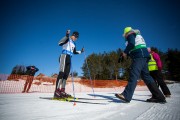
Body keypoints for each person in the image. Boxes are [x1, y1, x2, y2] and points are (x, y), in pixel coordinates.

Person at [115, 27, 166, 103]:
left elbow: (131, 44)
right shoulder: (137, 35)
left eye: (124, 35)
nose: (124, 36)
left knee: (134, 74)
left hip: (139, 57)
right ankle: (158, 96)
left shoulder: (130, 34)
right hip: (144, 57)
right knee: (146, 77)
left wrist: (125, 52)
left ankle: (126, 95)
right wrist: (124, 54)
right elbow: (134, 47)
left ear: (126, 33)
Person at [54, 30, 84, 98]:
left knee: (66, 75)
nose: (76, 39)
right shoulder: (67, 39)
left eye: (77, 38)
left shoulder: (74, 44)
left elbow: (74, 52)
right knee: (61, 73)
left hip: (69, 58)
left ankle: (62, 91)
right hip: (64, 56)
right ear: (73, 35)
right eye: (75, 37)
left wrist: (81, 51)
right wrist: (67, 36)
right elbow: (59, 43)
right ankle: (56, 91)